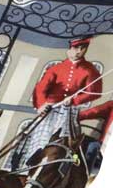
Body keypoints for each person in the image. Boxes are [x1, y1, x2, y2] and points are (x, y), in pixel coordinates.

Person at [19, 37, 102, 169]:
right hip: (49, 110)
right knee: (40, 142)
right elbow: (40, 89)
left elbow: (95, 92)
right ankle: (28, 169)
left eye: (83, 48)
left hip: (69, 112)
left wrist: (74, 100)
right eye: (76, 48)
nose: (79, 51)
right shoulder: (56, 68)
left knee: (66, 144)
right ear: (69, 49)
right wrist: (41, 105)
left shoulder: (90, 70)